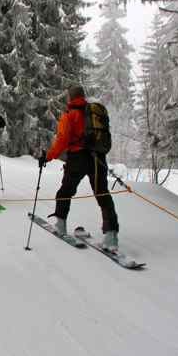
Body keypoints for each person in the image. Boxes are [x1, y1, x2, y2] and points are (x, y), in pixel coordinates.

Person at [38, 85, 120, 251]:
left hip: (78, 158)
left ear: (70, 98)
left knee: (65, 191)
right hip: (98, 158)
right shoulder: (94, 113)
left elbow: (62, 140)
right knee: (102, 193)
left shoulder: (70, 116)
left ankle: (60, 225)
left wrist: (48, 156)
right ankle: (111, 236)